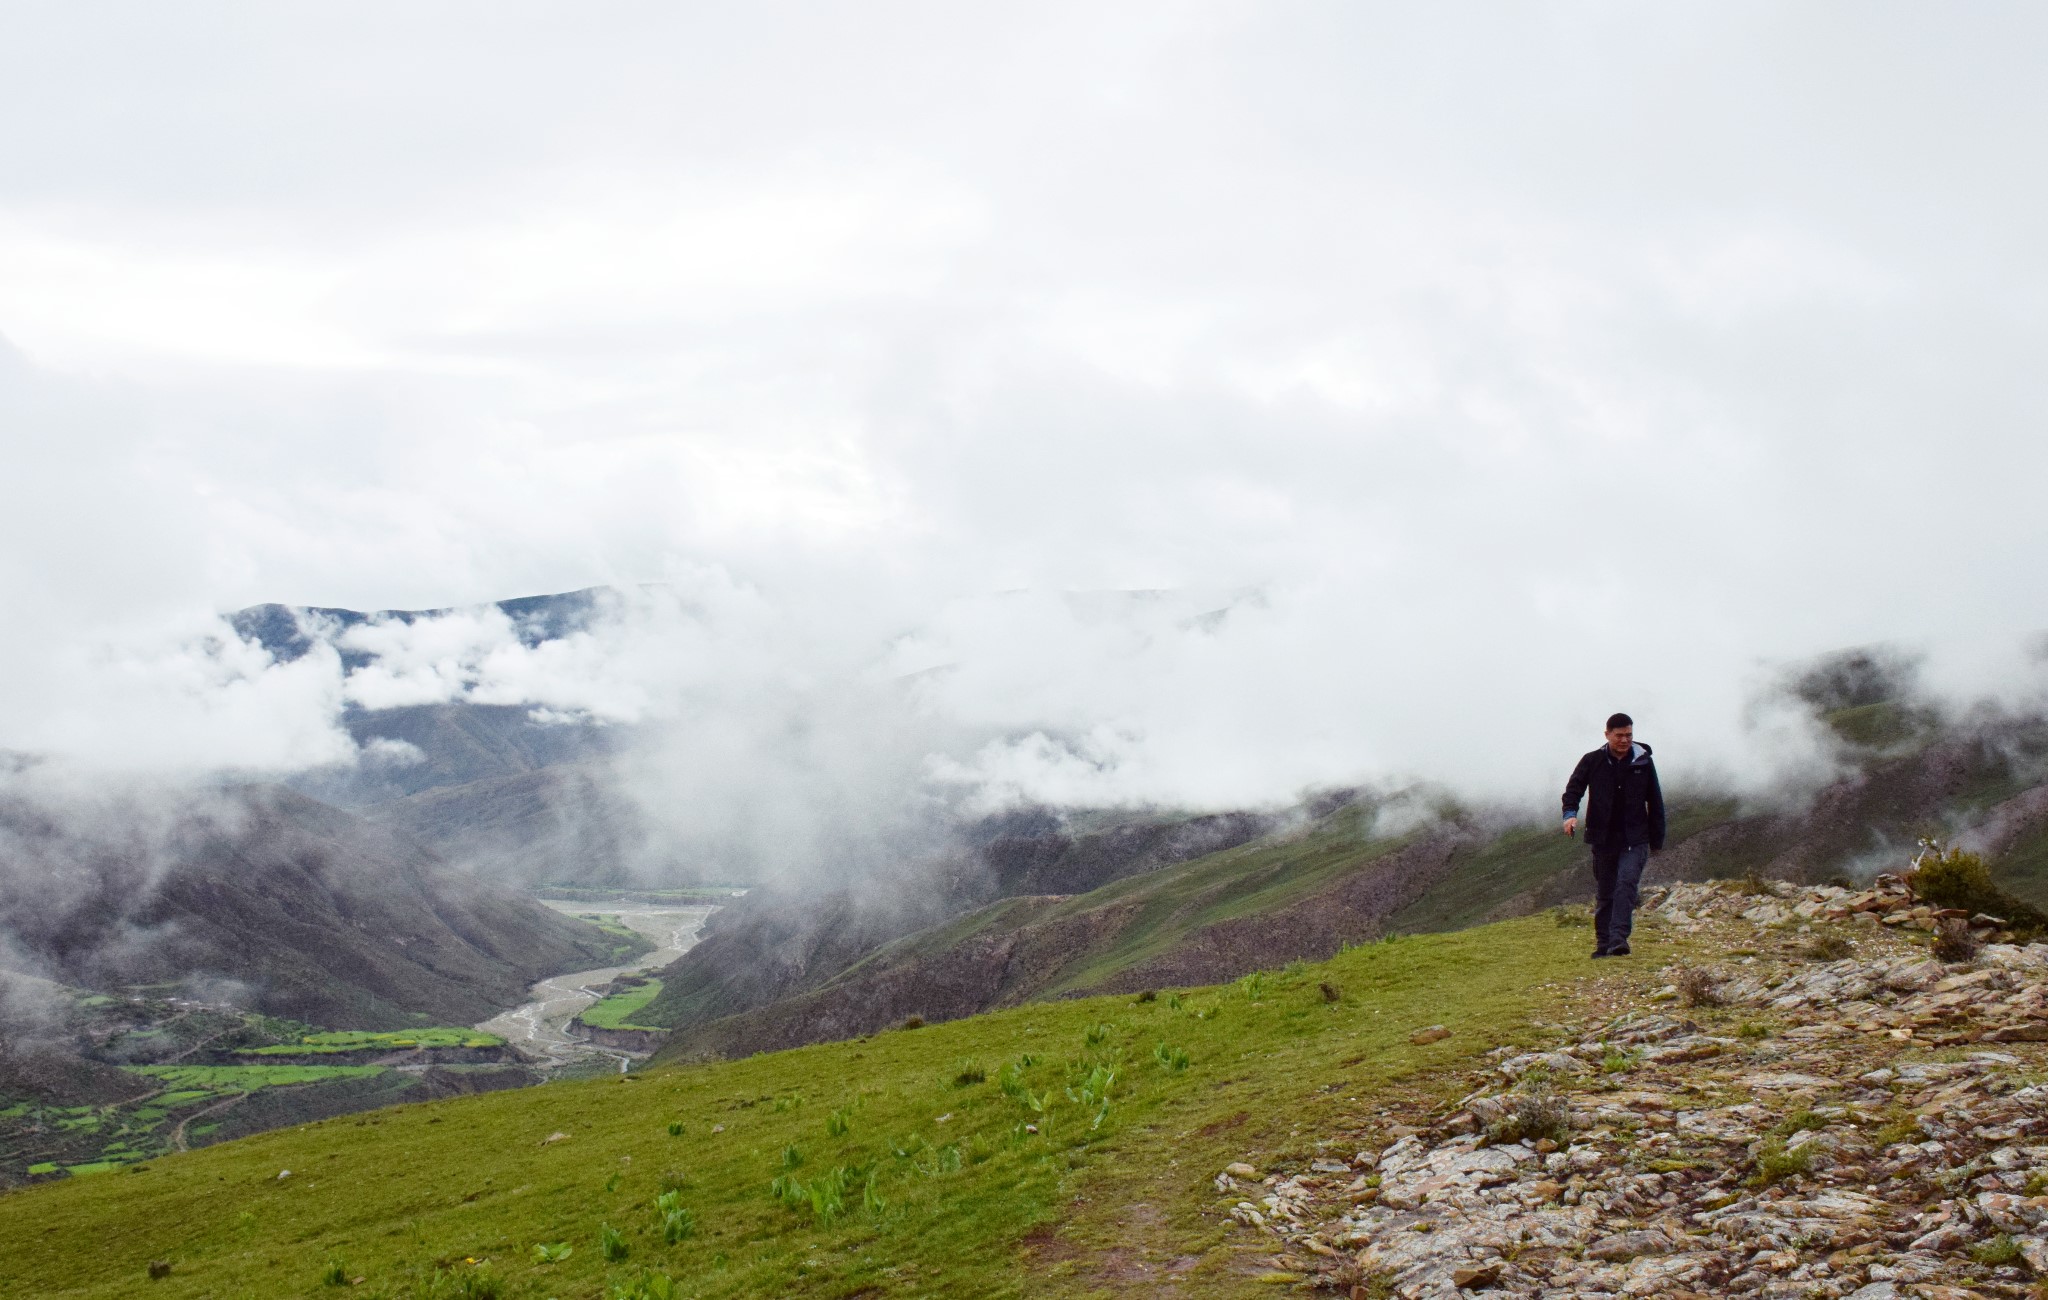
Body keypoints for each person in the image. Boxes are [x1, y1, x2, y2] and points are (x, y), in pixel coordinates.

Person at [1561, 712, 1665, 958]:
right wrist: (1570, 814)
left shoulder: (1643, 762)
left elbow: (1655, 801)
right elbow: (1574, 789)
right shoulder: (1592, 761)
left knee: (1626, 885)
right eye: (1619, 735)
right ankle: (1603, 943)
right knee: (1606, 891)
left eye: (1629, 735)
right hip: (1603, 838)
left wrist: (1657, 840)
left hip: (1635, 838)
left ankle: (1619, 939)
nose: (1624, 740)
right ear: (1607, 734)